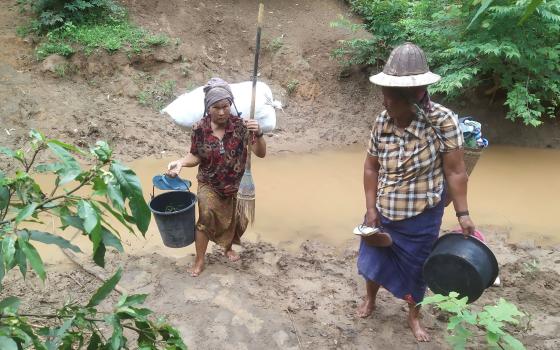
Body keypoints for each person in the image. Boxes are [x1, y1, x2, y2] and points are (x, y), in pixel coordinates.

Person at [356, 43, 476, 342]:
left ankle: (414, 316)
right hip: (382, 210)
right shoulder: (382, 121)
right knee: (373, 260)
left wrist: (463, 215)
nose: (385, 103)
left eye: (391, 98)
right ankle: (370, 299)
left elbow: (456, 171)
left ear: (416, 97)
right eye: (384, 95)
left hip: (422, 216)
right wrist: (371, 209)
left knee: (416, 270)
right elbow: (371, 168)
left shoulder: (442, 122)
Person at [166, 77, 267, 277]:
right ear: (208, 107)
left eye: (225, 106)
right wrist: (180, 163)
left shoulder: (241, 126)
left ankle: (227, 247)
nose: (221, 112)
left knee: (238, 221)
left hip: (237, 185)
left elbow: (261, 153)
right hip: (209, 183)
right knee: (206, 216)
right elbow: (195, 155)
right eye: (216, 107)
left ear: (230, 105)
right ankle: (200, 259)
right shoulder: (199, 129)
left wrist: (260, 133)